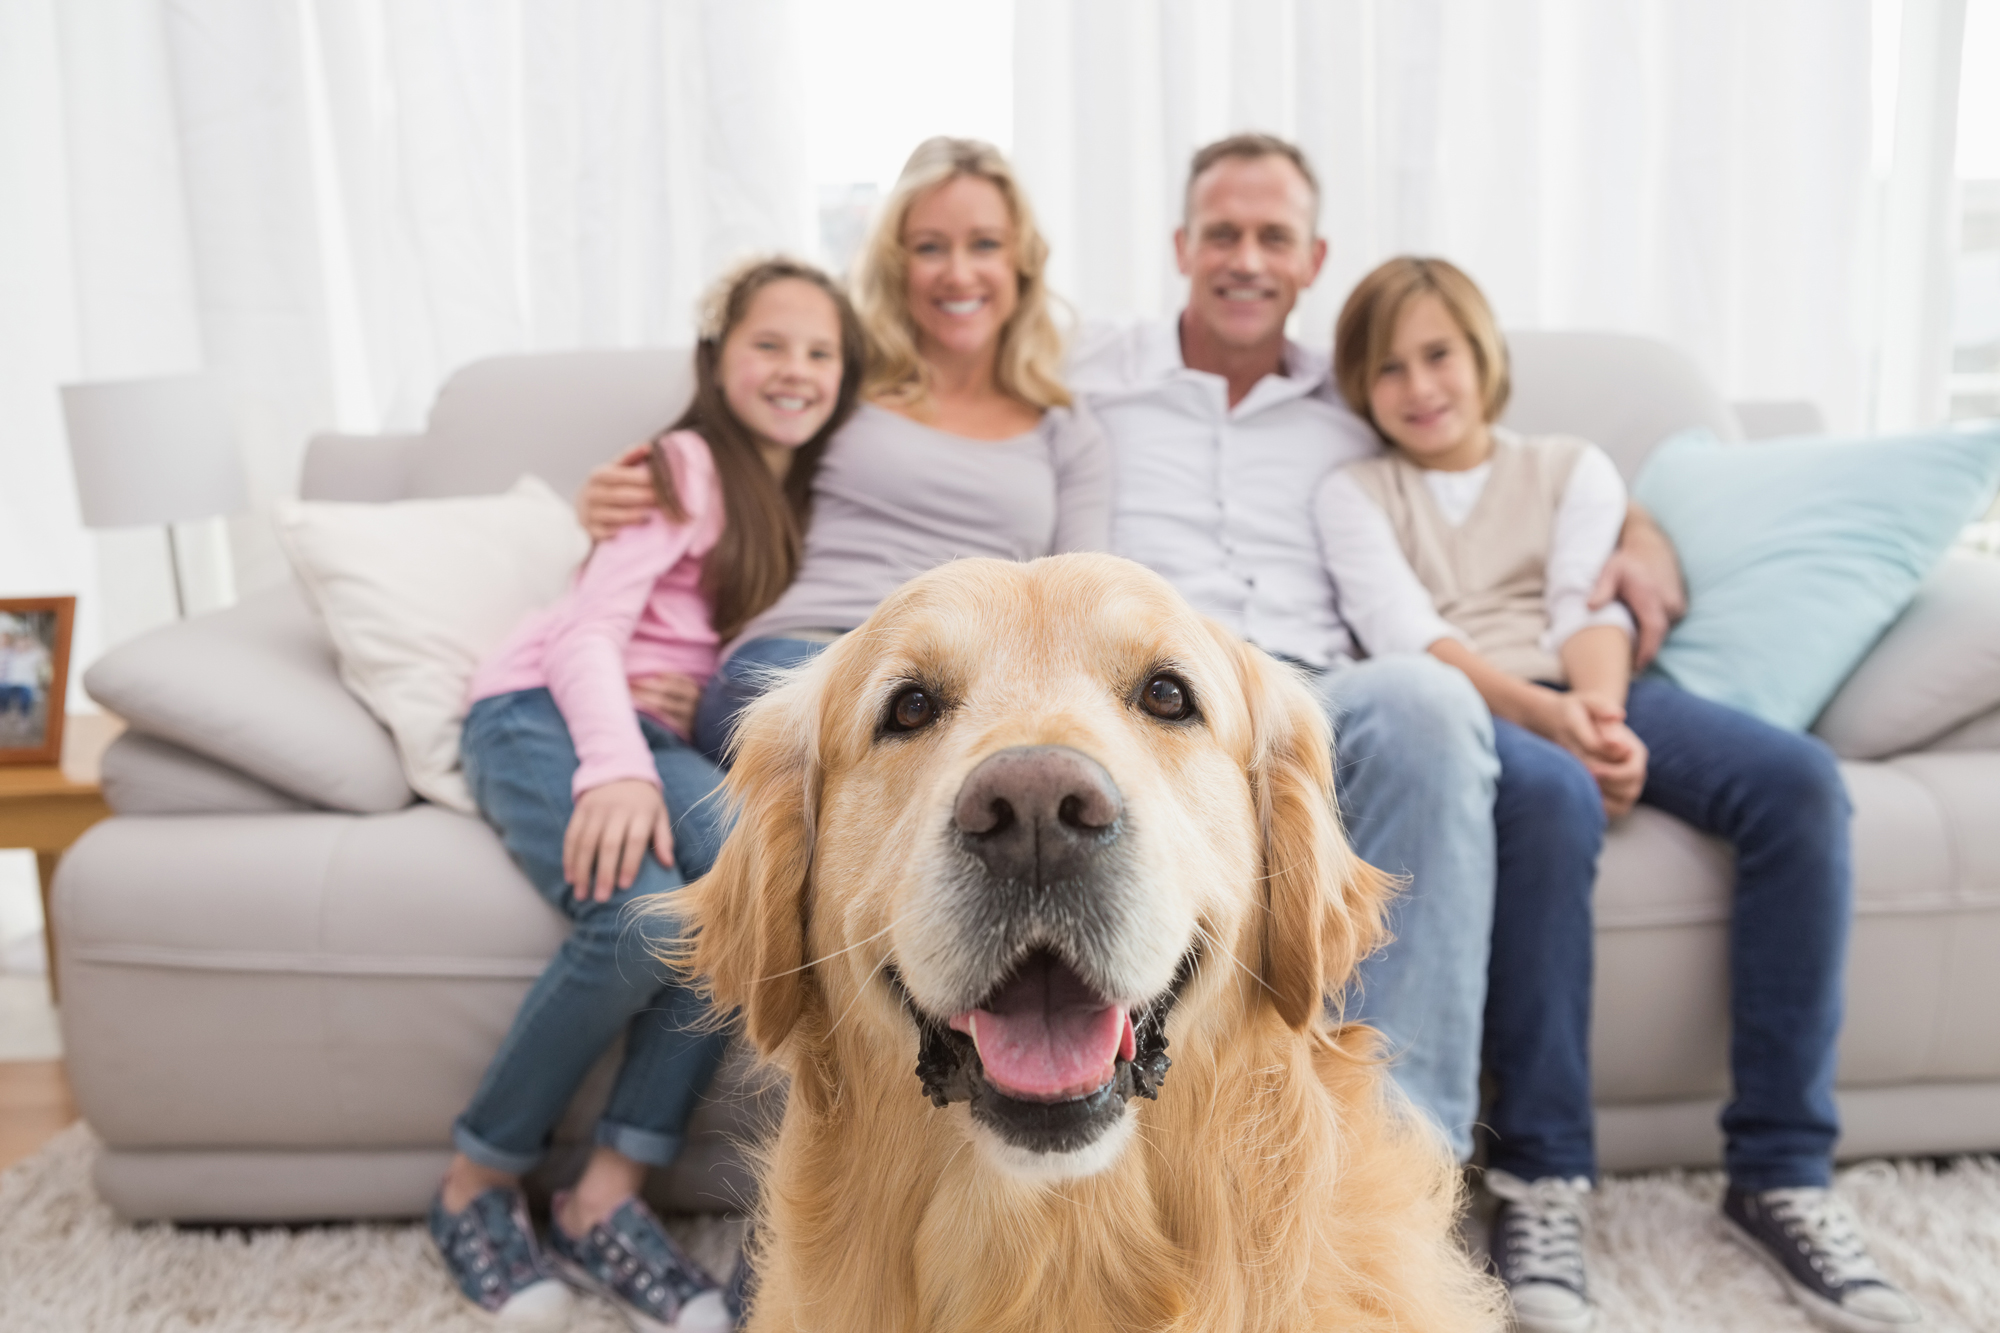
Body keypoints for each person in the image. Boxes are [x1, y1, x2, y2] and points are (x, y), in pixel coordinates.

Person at [1315, 256, 1921, 1333]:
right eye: (1388, 368)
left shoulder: (1569, 467)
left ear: (1481, 355)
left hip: (1589, 686)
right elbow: (1412, 637)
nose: (1418, 384)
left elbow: (1581, 605)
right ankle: (1542, 1178)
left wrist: (1597, 714)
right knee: (1546, 797)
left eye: (1437, 353)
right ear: (1361, 390)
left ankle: (1779, 1167)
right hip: (1475, 703)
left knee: (1798, 784)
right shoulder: (1355, 493)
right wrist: (1554, 727)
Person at [1063, 133, 1688, 1163]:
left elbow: (1504, 466)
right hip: (1146, 698)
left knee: (1422, 701)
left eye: (1275, 236)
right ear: (1180, 245)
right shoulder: (1090, 376)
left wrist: (1641, 534)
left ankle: (1404, 1164)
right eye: (1222, 233)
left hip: (1320, 689)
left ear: (1313, 259)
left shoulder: (1358, 396)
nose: (1246, 259)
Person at [431, 257, 866, 1333]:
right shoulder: (684, 463)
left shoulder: (805, 495)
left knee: (743, 888)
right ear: (716, 359)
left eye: (820, 353)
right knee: (632, 912)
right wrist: (616, 762)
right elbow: (586, 628)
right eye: (770, 344)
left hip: (657, 726)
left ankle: (603, 1199)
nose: (794, 370)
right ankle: (473, 1185)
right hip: (538, 708)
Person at [580, 136, 1110, 762]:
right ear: (897, 263)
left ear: (1021, 261)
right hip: (800, 656)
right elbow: (729, 463)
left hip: (966, 681)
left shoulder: (1066, 428)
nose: (958, 272)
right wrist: (614, 503)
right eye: (930, 247)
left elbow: (1083, 601)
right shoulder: (844, 383)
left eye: (985, 245)